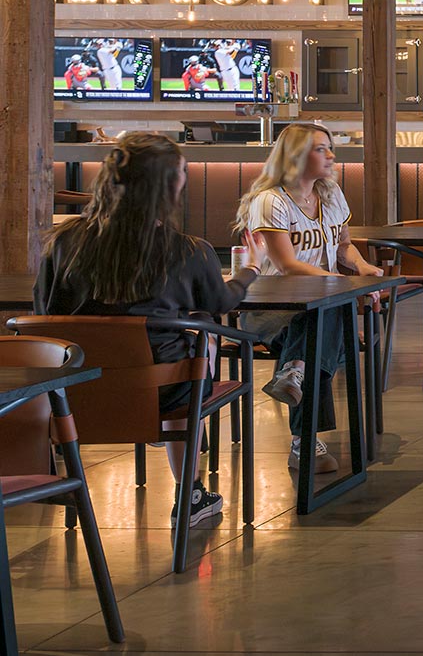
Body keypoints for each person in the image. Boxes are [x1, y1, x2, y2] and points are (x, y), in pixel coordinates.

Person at [35, 132, 259, 529]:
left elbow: (46, 312)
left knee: (175, 349)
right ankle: (189, 495)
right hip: (165, 391)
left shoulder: (63, 244)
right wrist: (249, 271)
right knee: (197, 337)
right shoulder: (189, 250)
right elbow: (221, 303)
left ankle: (71, 488)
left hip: (78, 389)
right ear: (168, 185)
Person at [236, 122, 384, 477]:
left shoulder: (331, 193)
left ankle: (295, 373)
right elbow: (287, 265)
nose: (331, 155)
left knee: (324, 317)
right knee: (328, 317)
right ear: (296, 156)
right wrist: (343, 285)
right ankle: (303, 436)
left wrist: (363, 268)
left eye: (329, 147)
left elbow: (344, 245)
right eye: (321, 149)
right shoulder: (270, 201)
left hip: (319, 307)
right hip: (270, 309)